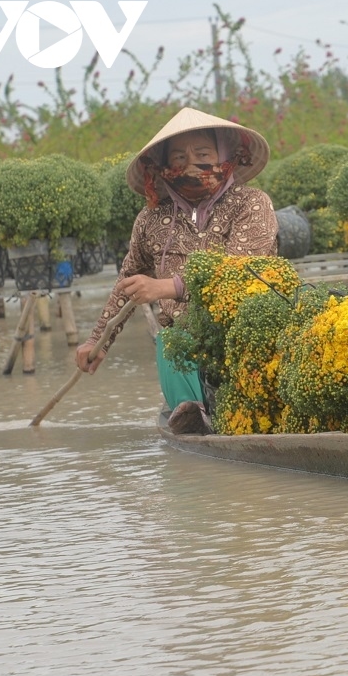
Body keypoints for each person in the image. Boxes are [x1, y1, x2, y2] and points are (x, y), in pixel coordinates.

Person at [75, 107, 277, 434]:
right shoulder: (151, 219)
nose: (192, 165)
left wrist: (168, 287)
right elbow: (127, 282)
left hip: (247, 329)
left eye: (203, 154)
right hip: (183, 342)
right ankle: (190, 411)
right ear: (165, 168)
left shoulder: (252, 203)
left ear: (225, 155)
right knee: (169, 338)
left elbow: (240, 271)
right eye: (179, 158)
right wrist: (98, 341)